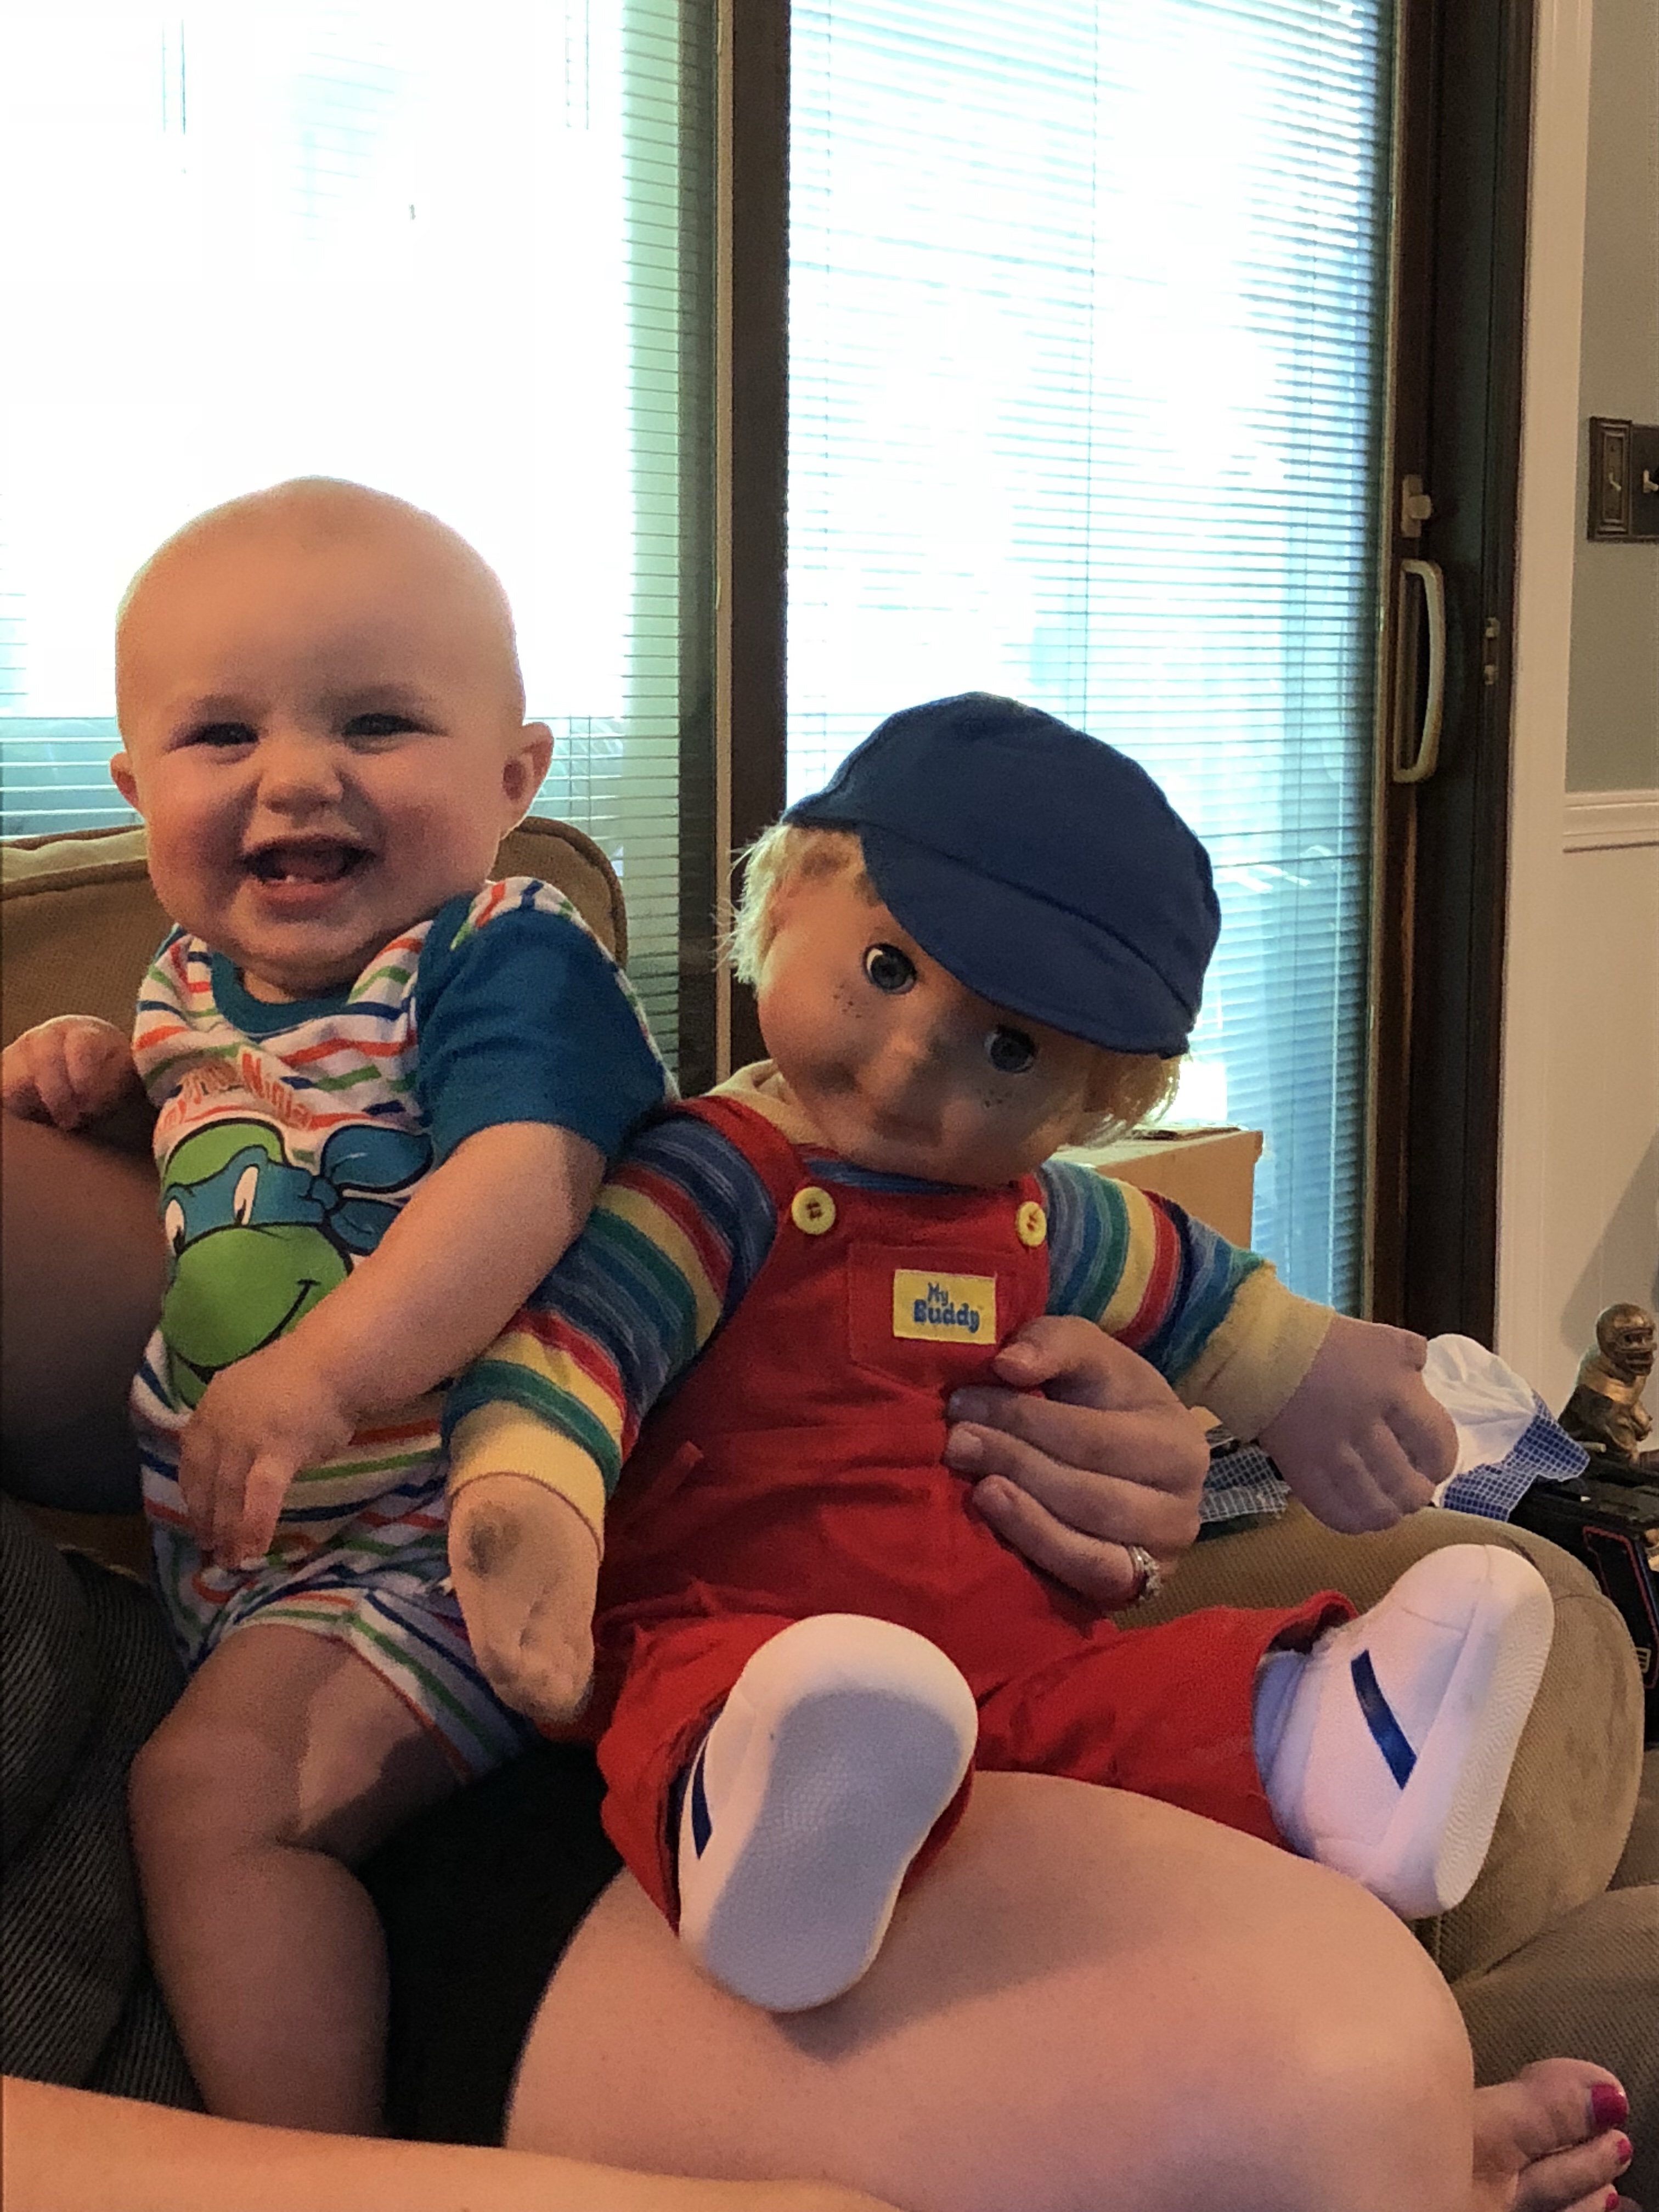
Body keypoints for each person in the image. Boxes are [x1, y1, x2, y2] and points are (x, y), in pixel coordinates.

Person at [1, 1039, 1639, 2212]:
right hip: (263, 2009)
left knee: (1344, 2076)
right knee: (1316, 2111)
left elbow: (239, 1337)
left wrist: (1011, 1421)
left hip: (485, 1725)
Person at [441, 693, 1553, 2013]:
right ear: (789, 899)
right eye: (890, 969)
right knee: (709, 1695)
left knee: (1118, 1703)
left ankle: (1330, 1737)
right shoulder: (714, 1184)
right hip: (733, 1622)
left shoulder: (1052, 1219)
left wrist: (1313, 1376)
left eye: (1011, 1049)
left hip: (1009, 1649)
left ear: (1098, 1101)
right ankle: (766, 1844)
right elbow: (582, 1350)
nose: (918, 1059)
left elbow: (1211, 1302)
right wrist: (534, 1495)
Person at [0, 478, 671, 2133]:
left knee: (213, 1801)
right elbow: (235, 1159)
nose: (298, 774)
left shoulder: (500, 949)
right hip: (268, 1562)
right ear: (135, 789)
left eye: (377, 723)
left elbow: (525, 1177)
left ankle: (314, 2160)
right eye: (222, 735)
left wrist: (320, 1375)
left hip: (469, 1530)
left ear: (515, 777)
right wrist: (101, 1077)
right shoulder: (186, 986)